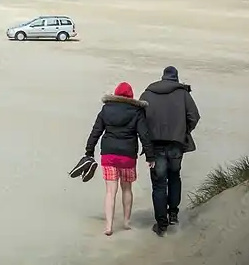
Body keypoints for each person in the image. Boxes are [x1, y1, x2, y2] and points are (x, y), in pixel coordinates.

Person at [85, 82, 154, 236]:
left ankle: (109, 226)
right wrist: (150, 156)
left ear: (116, 94)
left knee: (110, 191)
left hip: (108, 155)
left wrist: (89, 151)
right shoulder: (137, 111)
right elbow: (144, 135)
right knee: (127, 189)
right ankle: (126, 222)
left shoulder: (106, 109)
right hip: (128, 156)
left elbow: (96, 131)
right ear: (131, 96)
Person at [139, 66, 200, 237]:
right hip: (175, 144)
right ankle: (173, 214)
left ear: (162, 77)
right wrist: (183, 131)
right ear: (176, 78)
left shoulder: (148, 94)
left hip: (155, 145)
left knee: (159, 184)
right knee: (174, 177)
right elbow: (194, 116)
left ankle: (161, 225)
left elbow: (140, 120)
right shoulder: (183, 94)